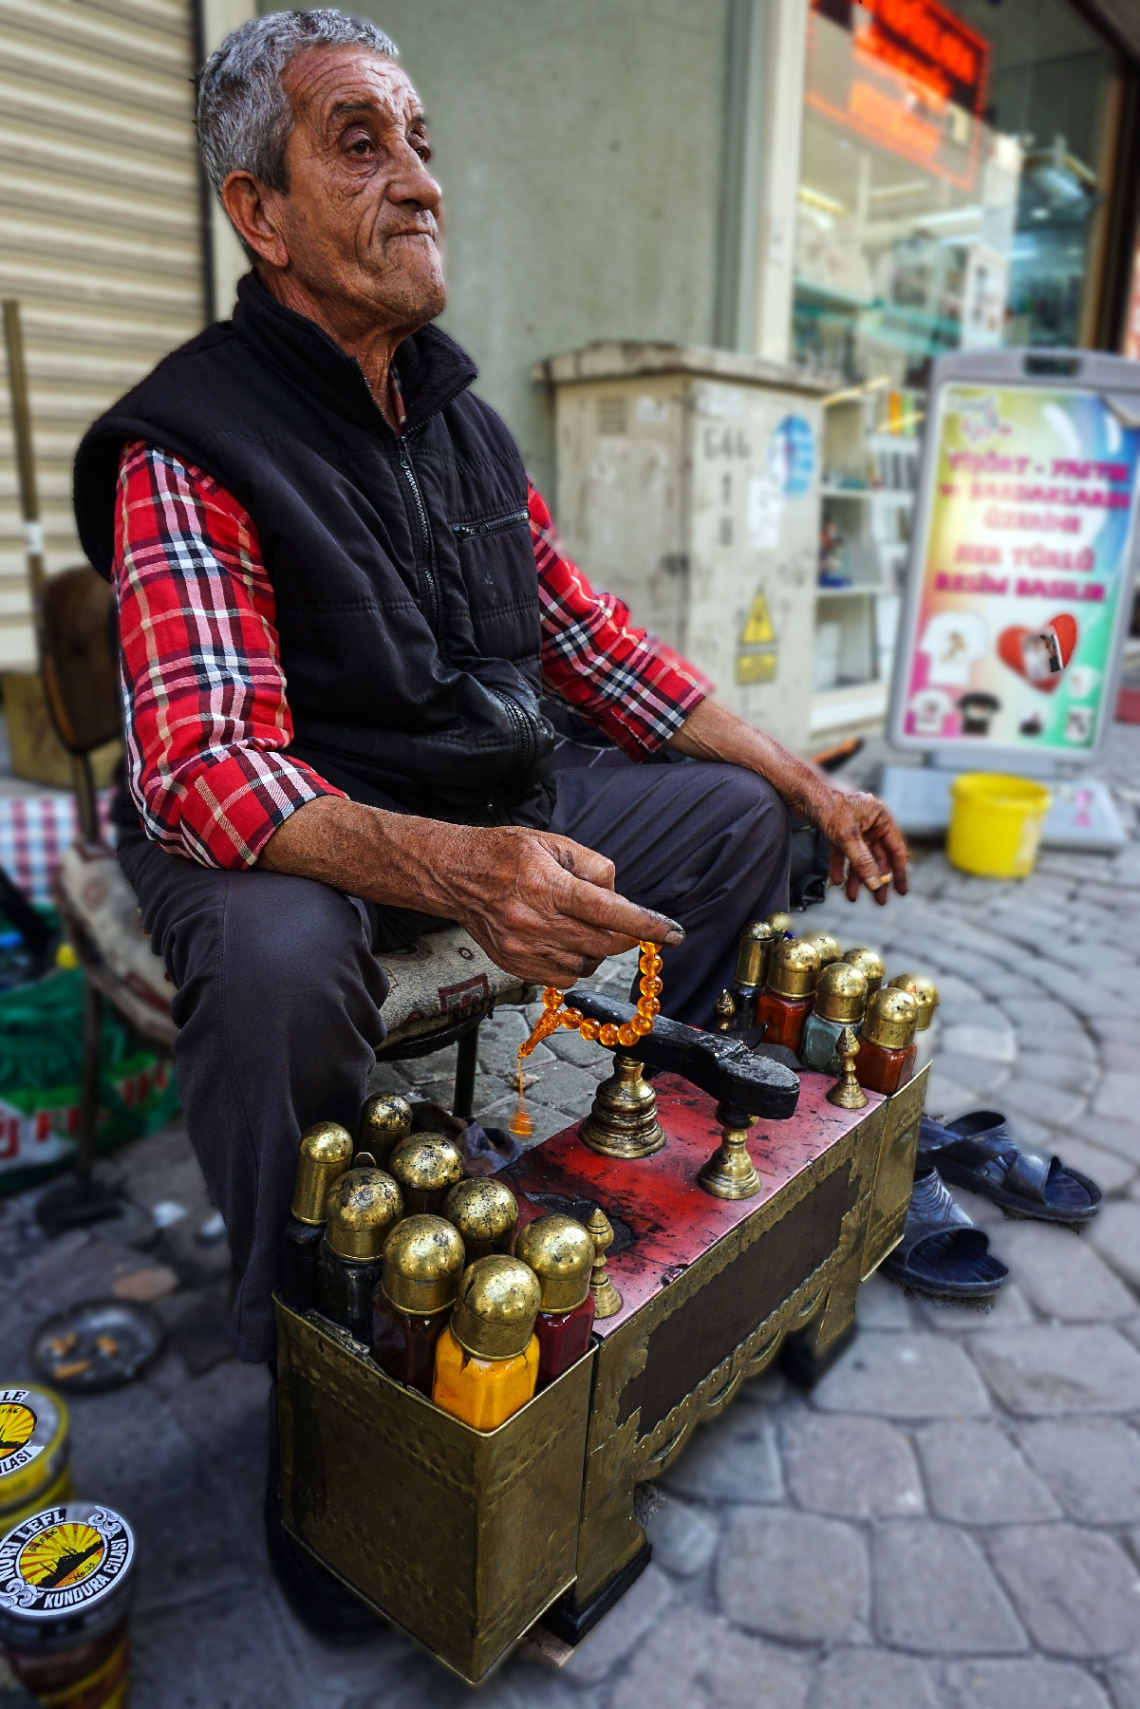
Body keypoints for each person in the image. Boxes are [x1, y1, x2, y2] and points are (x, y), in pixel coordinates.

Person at [74, 9, 907, 1375]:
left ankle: (605, 1181)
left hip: (467, 794)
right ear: (260, 214)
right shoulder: (193, 437)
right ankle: (311, 1353)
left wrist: (809, 781)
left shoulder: (463, 425)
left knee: (741, 820)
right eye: (359, 144)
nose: (420, 178)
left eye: (420, 139)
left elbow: (600, 648)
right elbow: (204, 765)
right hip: (296, 829)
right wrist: (467, 868)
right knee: (278, 961)